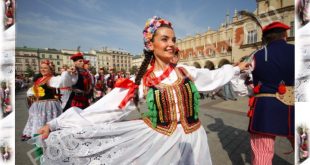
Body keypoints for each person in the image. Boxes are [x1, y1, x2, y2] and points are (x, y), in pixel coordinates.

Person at [37, 16, 248, 164]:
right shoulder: (139, 81)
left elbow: (216, 76)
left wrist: (235, 68)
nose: (171, 44)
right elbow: (104, 110)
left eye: (173, 39)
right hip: (161, 143)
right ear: (150, 44)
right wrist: (56, 123)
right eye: (164, 39)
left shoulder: (187, 71)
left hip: (195, 140)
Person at [246, 21, 294, 165]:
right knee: (305, 148)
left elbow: (246, 83)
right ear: (285, 35)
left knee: (262, 154)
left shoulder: (256, 55)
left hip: (265, 109)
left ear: (266, 38)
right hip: (298, 106)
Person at [21, 60, 64, 141]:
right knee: (38, 121)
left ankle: (48, 135)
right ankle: (39, 135)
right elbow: (31, 91)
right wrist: (32, 95)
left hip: (48, 104)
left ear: (50, 69)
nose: (42, 69)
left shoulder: (52, 79)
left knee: (47, 120)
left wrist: (66, 73)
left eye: (45, 68)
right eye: (41, 68)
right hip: (38, 105)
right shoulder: (39, 79)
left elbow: (62, 81)